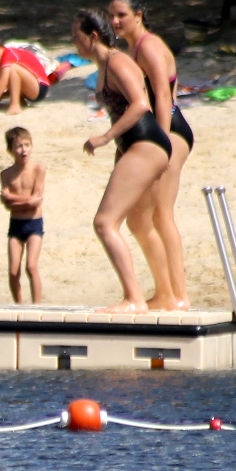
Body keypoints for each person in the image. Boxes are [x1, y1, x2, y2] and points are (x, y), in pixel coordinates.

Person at [102, 0, 193, 311]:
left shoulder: (150, 46)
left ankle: (178, 295)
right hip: (156, 134)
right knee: (139, 219)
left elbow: (164, 97)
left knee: (160, 214)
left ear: (139, 14)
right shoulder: (132, 49)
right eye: (111, 16)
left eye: (121, 15)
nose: (115, 22)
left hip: (170, 132)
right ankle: (165, 292)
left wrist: (163, 145)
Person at [82, 31, 171, 313]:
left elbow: (140, 104)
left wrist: (106, 137)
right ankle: (168, 295)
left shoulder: (116, 61)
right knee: (139, 223)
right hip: (137, 146)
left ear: (92, 35)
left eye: (76, 36)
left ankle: (133, 299)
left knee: (104, 223)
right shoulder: (105, 65)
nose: (73, 42)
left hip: (144, 143)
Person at [0, 126, 47, 303]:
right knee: (13, 270)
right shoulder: (6, 174)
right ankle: (18, 305)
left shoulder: (38, 170)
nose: (23, 150)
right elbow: (8, 206)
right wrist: (23, 202)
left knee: (31, 266)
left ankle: (37, 306)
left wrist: (13, 197)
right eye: (19, 146)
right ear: (10, 150)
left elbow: (36, 201)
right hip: (16, 225)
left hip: (34, 224)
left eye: (27, 145)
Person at [0, 33, 69, 115]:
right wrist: (0, 96)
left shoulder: (9, 54)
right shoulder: (2, 60)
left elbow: (3, 82)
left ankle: (15, 105)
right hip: (30, 87)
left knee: (12, 68)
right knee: (6, 69)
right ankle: (20, 101)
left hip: (40, 87)